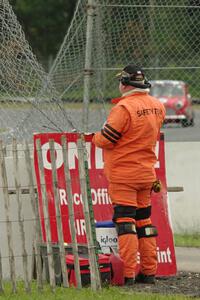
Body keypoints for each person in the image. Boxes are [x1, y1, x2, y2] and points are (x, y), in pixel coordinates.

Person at [92, 64, 166, 285]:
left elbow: (106, 139)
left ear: (124, 83)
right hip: (146, 174)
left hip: (124, 175)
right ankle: (149, 272)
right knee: (144, 221)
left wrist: (95, 137)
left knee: (125, 222)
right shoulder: (157, 106)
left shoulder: (123, 108)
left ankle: (127, 274)